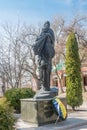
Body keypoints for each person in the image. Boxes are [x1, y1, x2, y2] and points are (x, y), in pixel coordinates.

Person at [33, 21, 55, 91]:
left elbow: (53, 41)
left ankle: (46, 87)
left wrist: (48, 36)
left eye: (48, 24)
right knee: (42, 68)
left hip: (48, 54)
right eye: (45, 24)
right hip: (42, 54)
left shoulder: (50, 32)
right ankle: (44, 86)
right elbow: (37, 42)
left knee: (47, 69)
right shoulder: (42, 33)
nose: (46, 25)